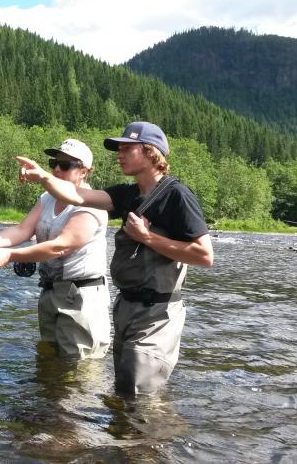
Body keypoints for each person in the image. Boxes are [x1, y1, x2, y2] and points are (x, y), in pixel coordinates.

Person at [16, 122, 214, 394]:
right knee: (123, 393)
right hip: (126, 308)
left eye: (126, 148)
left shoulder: (176, 195)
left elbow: (204, 255)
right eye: (118, 149)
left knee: (140, 396)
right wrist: (43, 177)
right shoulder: (126, 194)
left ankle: (155, 436)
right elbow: (75, 194)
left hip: (158, 312)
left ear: (150, 152)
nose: (119, 154)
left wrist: (147, 237)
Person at [0, 139, 111, 360]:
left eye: (65, 165)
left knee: (79, 374)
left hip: (82, 298)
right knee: (49, 363)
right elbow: (23, 229)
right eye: (54, 163)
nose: (56, 169)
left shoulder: (92, 203)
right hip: (50, 293)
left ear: (84, 171)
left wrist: (10, 256)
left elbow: (60, 246)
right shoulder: (47, 198)